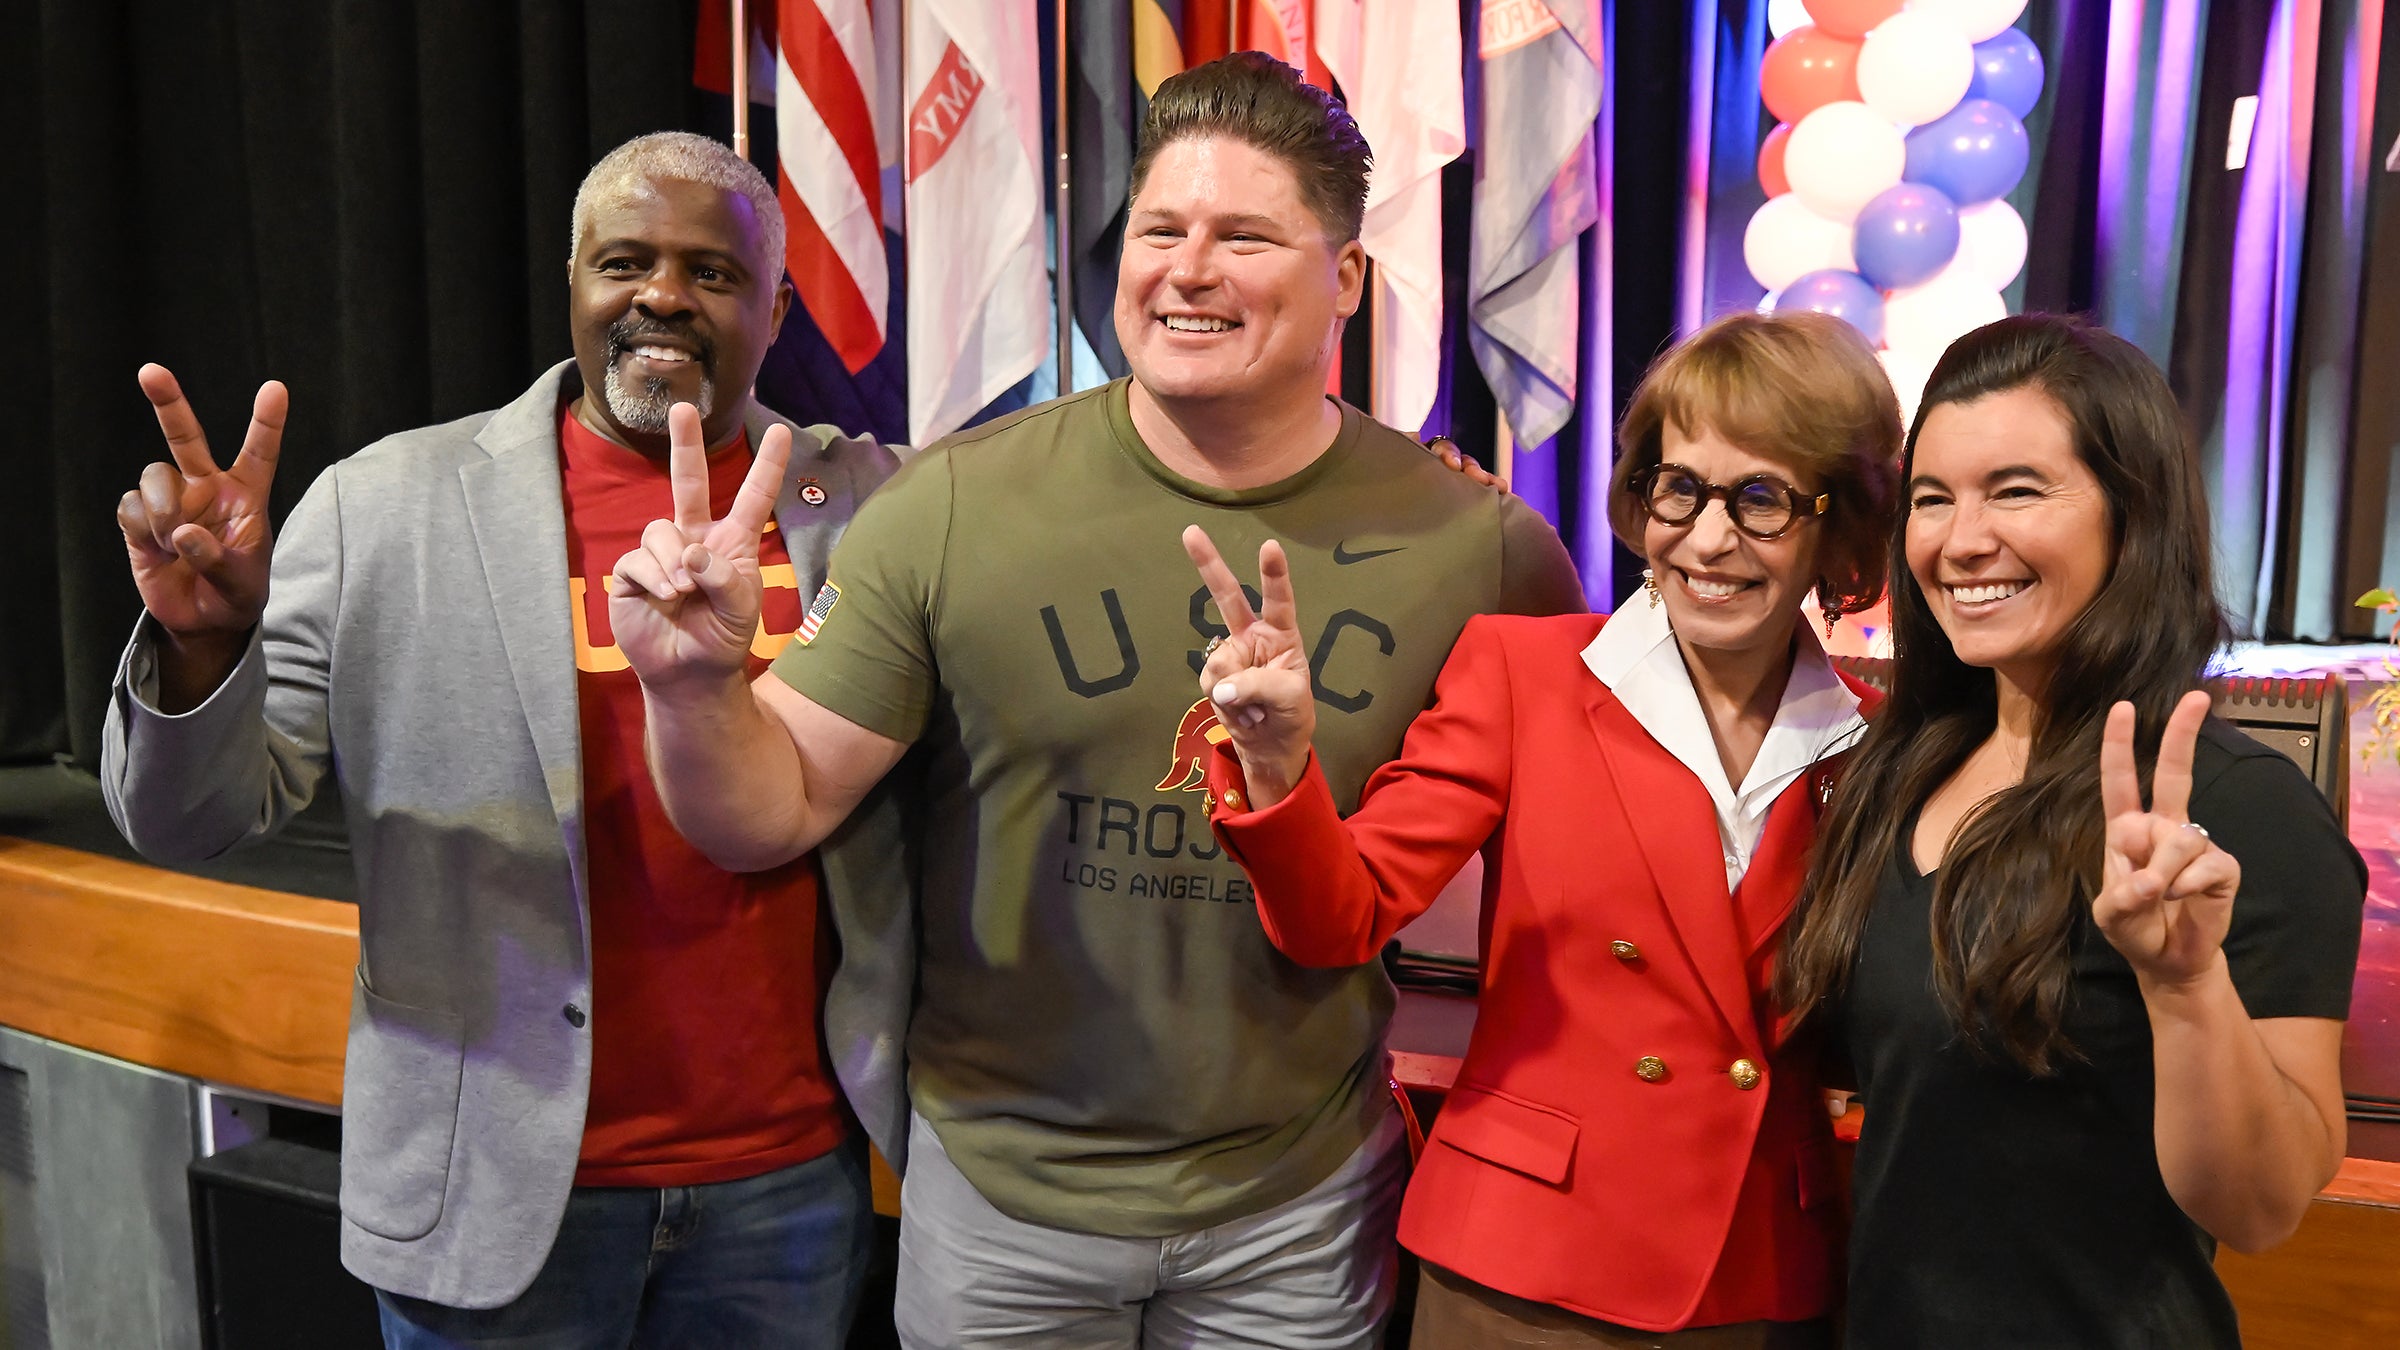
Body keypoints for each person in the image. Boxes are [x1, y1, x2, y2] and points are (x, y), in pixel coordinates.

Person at [612, 52, 1585, 1349]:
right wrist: (690, 690)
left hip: (1297, 1208)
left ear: (1346, 278)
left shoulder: (1487, 547)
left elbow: (1582, 866)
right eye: (1160, 229)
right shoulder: (953, 504)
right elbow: (768, 807)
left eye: (1244, 235)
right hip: (1004, 1209)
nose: (1187, 268)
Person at [101, 132, 897, 1347]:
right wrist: (205, 648)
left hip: (785, 1188)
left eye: (713, 273)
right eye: (625, 261)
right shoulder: (386, 505)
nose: (664, 296)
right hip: (492, 1191)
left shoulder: (877, 511)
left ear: (778, 305)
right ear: (574, 282)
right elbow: (188, 821)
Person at [1191, 310, 1902, 1347]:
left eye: (1762, 499)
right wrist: (1275, 766)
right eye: (1680, 486)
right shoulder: (1524, 676)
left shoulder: (1874, 748)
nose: (1708, 537)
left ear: (1840, 530)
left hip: (1756, 1277)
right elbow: (1336, 918)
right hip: (1523, 1272)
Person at [1778, 313, 2365, 1348]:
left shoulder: (2236, 812)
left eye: (2015, 490)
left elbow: (2262, 1208)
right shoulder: (1897, 772)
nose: (1961, 540)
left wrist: (2186, 988)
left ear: (2130, 516)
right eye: (1932, 498)